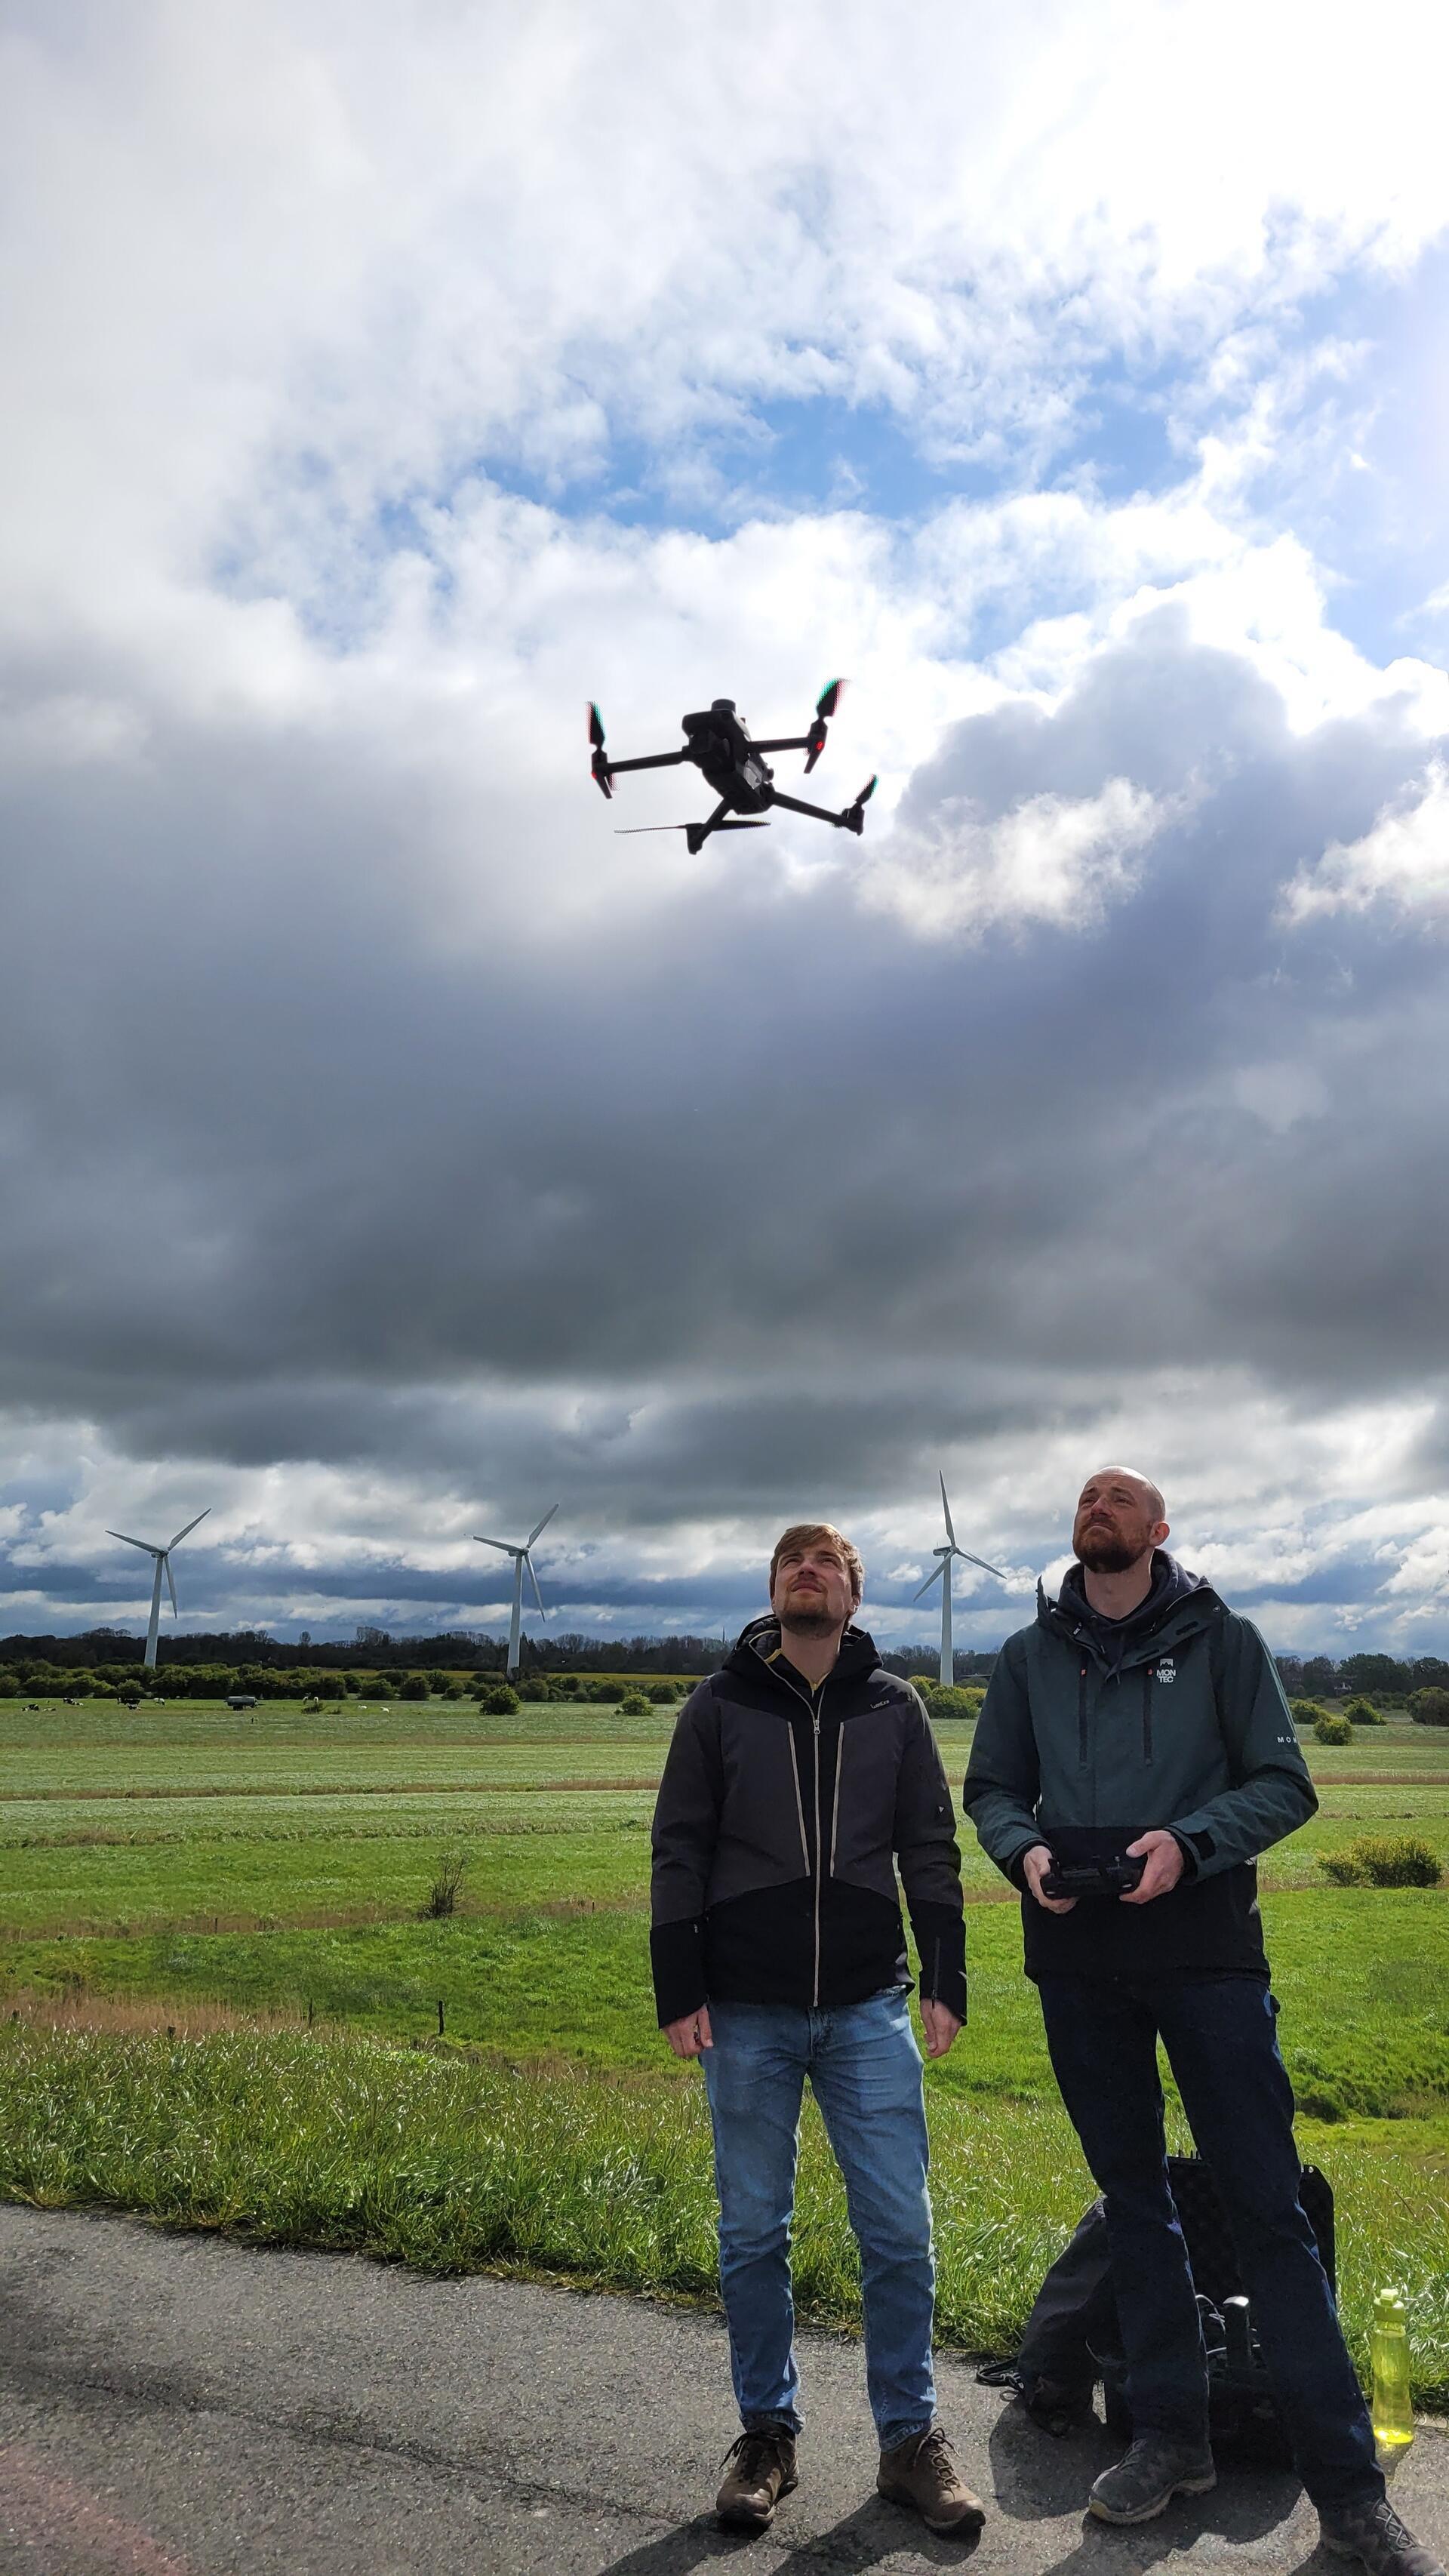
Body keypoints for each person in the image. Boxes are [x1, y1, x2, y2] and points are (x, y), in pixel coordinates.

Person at [962, 1467, 1444, 2576]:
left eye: (1123, 1496)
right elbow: (990, 1787)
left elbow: (1286, 1783)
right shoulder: (1030, 1656)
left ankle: (1352, 2499)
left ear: (1160, 1528)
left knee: (1265, 2207)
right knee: (1134, 2202)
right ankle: (1171, 2435)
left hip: (1208, 1955)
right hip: (1079, 1961)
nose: (1101, 1505)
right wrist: (1022, 1848)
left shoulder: (1227, 1642)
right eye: (1088, 1494)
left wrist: (1187, 1842)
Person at [651, 1521, 985, 2538]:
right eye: (794, 1560)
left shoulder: (895, 1706)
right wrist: (680, 1983)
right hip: (746, 2010)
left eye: (827, 1562)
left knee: (900, 2230)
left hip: (869, 2005)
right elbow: (680, 1844)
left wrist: (946, 1975)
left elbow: (930, 1840)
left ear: (851, 1595)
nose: (809, 1570)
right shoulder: (717, 1706)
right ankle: (766, 2439)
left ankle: (908, 2441)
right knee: (754, 2230)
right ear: (773, 1590)